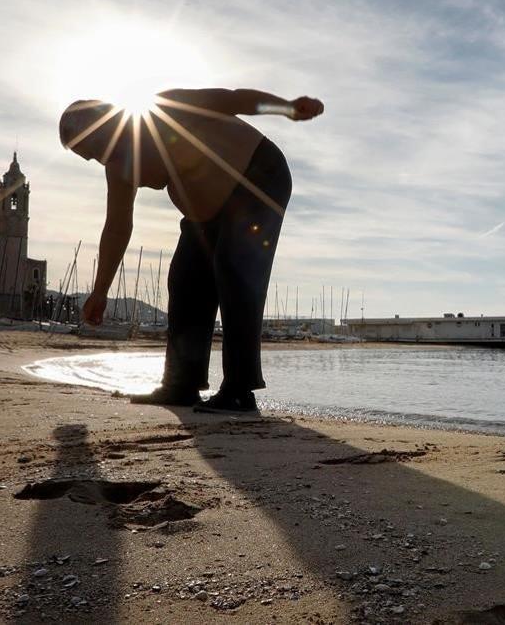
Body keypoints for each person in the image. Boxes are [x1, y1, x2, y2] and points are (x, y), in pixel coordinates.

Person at [59, 88, 324, 412]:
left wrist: (287, 107)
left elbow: (235, 99)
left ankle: (240, 390)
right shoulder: (117, 166)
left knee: (236, 269)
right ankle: (181, 384)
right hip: (204, 215)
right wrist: (100, 291)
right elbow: (116, 226)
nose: (94, 158)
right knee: (185, 281)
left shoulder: (167, 108)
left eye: (92, 147)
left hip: (259, 177)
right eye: (85, 155)